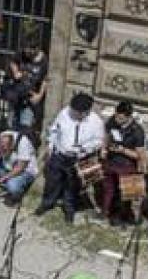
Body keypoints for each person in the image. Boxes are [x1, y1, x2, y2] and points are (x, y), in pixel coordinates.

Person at [37, 94, 102, 222]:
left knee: (72, 186)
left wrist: (83, 149)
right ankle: (47, 203)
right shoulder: (64, 113)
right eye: (73, 111)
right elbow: (55, 130)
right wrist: (51, 145)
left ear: (86, 112)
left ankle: (69, 210)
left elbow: (98, 141)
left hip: (78, 159)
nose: (74, 114)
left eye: (78, 113)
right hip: (59, 155)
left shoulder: (96, 122)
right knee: (52, 182)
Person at [96, 102, 147, 225]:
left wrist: (122, 150)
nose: (117, 120)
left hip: (126, 165)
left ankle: (119, 216)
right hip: (111, 162)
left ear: (129, 117)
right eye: (117, 116)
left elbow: (139, 155)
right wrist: (103, 149)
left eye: (121, 118)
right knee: (107, 189)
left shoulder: (137, 131)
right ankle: (105, 211)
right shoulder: (112, 122)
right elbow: (107, 136)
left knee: (123, 194)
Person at [0, 129, 37, 205]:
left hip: (25, 172)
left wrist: (3, 178)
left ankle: (18, 194)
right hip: (7, 166)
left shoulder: (23, 143)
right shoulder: (1, 136)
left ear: (12, 146)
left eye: (4, 149)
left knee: (12, 187)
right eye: (0, 147)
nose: (1, 150)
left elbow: (21, 168)